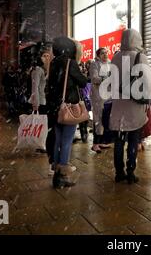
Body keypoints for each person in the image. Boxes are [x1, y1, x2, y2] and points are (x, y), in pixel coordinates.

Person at [109, 29, 151, 184]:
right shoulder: (141, 57)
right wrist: (148, 101)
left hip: (118, 105)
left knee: (119, 140)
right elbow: (147, 83)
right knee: (133, 139)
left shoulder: (115, 58)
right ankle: (131, 171)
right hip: (134, 105)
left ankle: (119, 172)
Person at [47, 37, 87, 188]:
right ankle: (62, 174)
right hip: (68, 107)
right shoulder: (70, 62)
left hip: (56, 107)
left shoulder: (54, 62)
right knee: (66, 141)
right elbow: (82, 82)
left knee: (58, 140)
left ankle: (56, 174)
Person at [28, 44, 50, 154]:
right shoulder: (37, 70)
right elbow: (35, 87)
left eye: (48, 55)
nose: (47, 57)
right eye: (44, 55)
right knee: (41, 124)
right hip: (40, 101)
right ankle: (40, 145)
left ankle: (42, 144)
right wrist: (35, 102)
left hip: (44, 100)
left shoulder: (43, 69)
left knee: (43, 123)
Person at [89, 48, 111, 153]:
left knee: (105, 119)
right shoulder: (95, 64)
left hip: (109, 97)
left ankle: (103, 141)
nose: (105, 55)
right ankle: (95, 143)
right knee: (98, 119)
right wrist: (106, 79)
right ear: (98, 55)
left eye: (106, 53)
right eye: (103, 53)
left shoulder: (110, 64)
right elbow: (94, 78)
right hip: (98, 97)